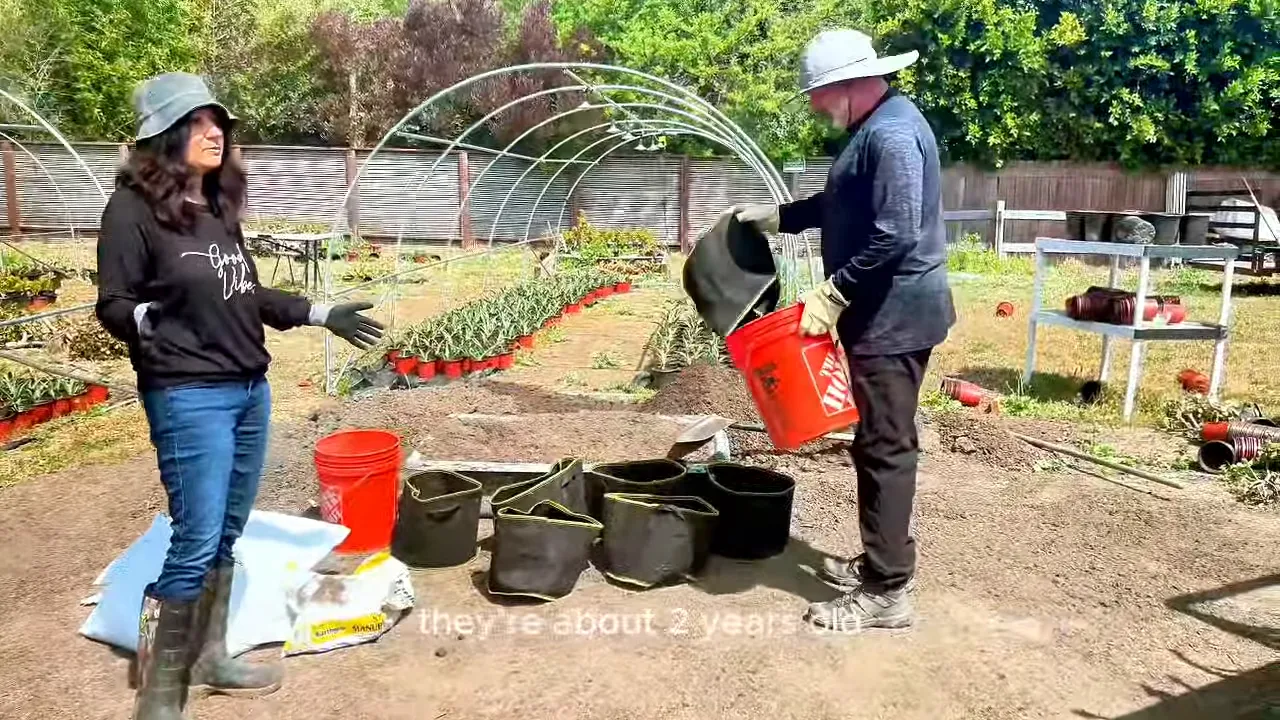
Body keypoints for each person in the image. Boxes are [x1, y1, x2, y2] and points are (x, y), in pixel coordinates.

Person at [95, 72, 385, 719]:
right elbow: (112, 305)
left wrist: (318, 310)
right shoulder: (131, 212)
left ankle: (210, 660)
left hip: (250, 391)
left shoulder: (217, 210)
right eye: (197, 122)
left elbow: (245, 294)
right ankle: (154, 693)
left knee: (224, 537)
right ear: (164, 136)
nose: (213, 132)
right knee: (192, 542)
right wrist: (151, 318)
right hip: (187, 397)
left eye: (217, 121)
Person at [727, 29, 955, 631]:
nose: (812, 106)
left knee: (885, 446)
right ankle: (882, 563)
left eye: (817, 94)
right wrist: (783, 217)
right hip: (882, 313)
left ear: (848, 85)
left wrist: (834, 292)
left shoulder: (893, 133)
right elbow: (845, 204)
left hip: (894, 317)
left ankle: (887, 590)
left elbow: (898, 230)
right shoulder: (875, 129)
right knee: (876, 441)